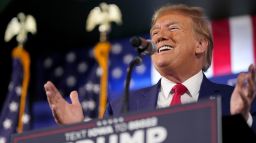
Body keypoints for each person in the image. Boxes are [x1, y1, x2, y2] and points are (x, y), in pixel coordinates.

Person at [44, 4, 256, 132]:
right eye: (154, 32)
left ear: (200, 44)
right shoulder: (121, 107)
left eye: (173, 28)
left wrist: (241, 119)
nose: (159, 36)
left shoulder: (236, 101)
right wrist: (76, 131)